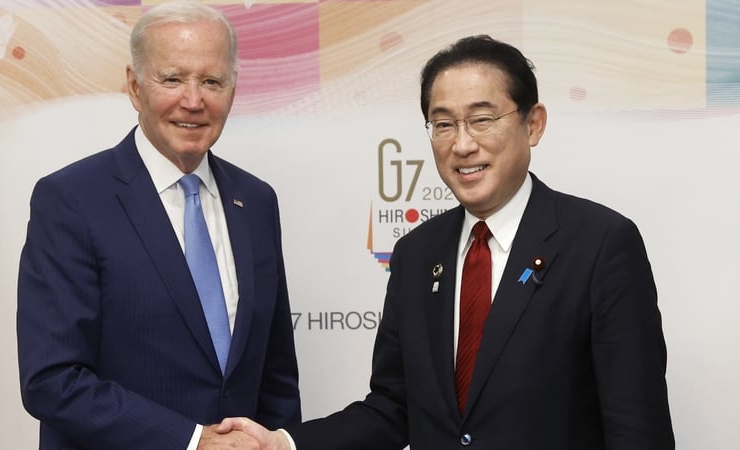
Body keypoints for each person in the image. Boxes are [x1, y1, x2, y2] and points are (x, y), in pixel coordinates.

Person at [218, 35, 675, 449]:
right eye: (443, 124)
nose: (462, 145)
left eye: (481, 119)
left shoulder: (600, 245)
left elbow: (637, 429)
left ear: (533, 124)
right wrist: (283, 444)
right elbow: (394, 407)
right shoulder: (418, 254)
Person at [16, 2, 301, 448]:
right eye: (172, 79)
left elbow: (276, 374)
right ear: (133, 86)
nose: (194, 100)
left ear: (233, 88)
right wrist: (191, 440)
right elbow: (52, 380)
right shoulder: (70, 200)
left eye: (211, 81)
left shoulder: (257, 201)